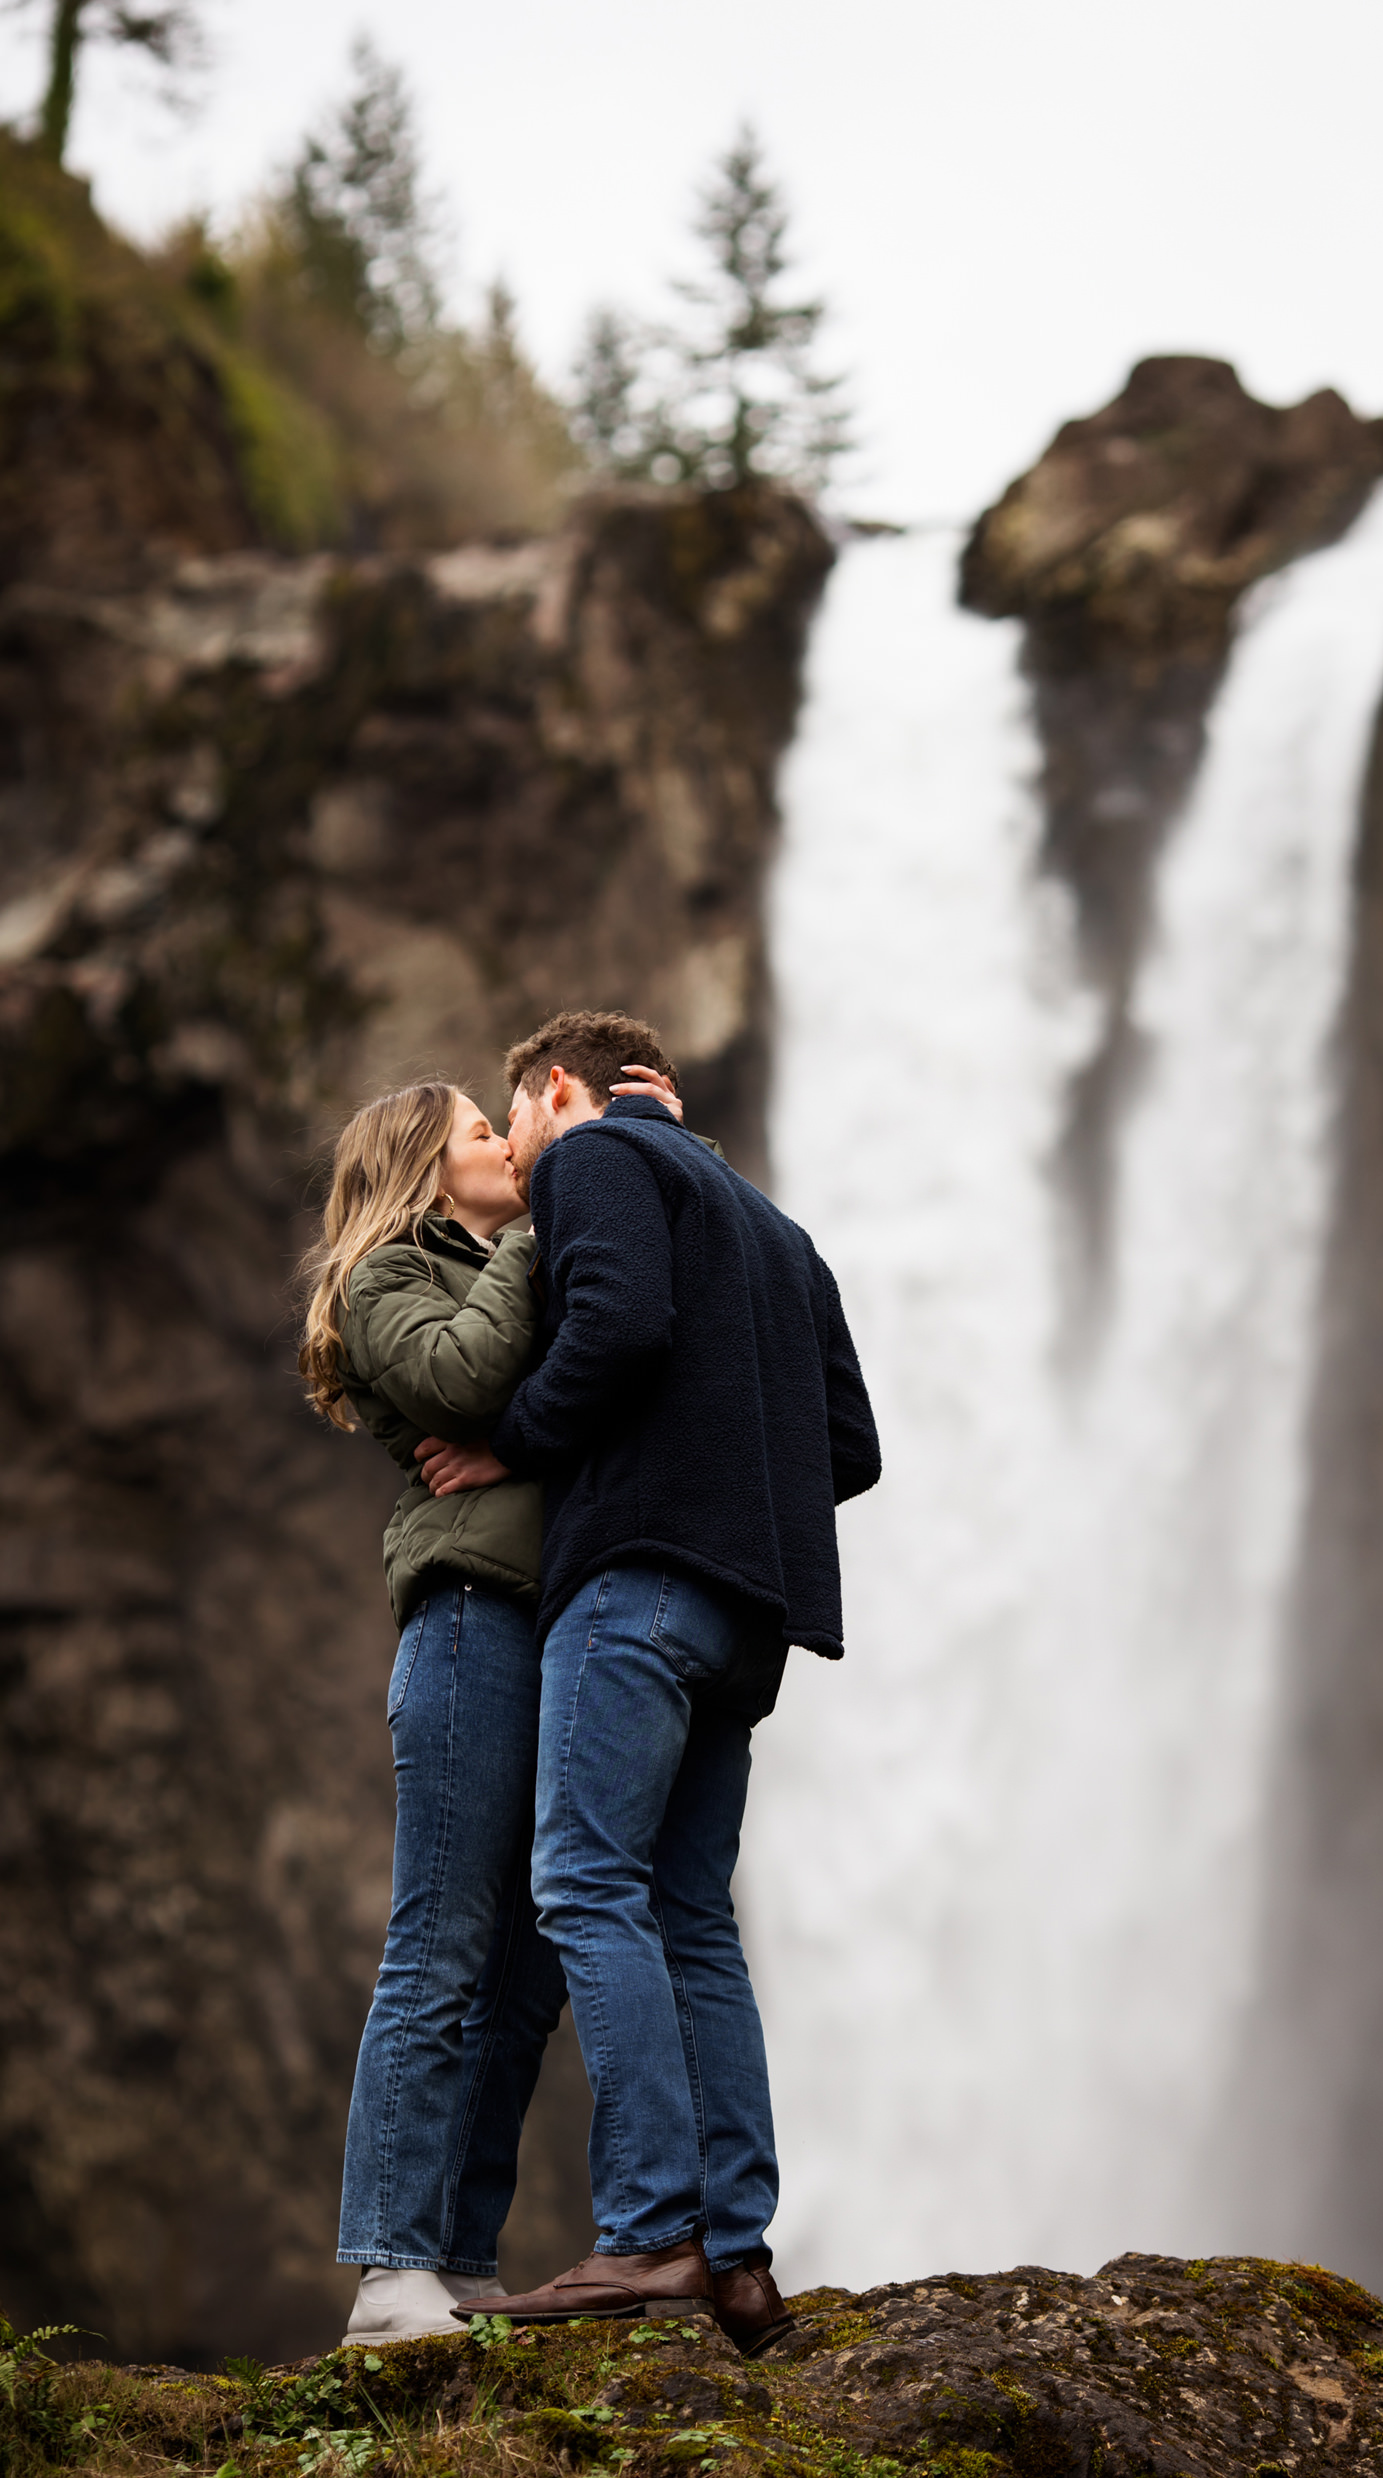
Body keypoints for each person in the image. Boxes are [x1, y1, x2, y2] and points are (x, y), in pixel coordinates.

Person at [418, 1010, 880, 2358]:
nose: (513, 1151)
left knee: (582, 1880)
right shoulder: (774, 1227)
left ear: (563, 1087)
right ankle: (737, 2254)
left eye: (515, 1117)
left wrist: (514, 1442)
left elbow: (615, 1320)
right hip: (753, 1619)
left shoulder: (596, 1159)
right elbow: (846, 1443)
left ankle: (650, 2232)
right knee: (692, 1914)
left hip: (635, 1582)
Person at [297, 1064, 679, 2345]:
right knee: (441, 1944)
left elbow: (613, 1369)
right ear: (420, 1167)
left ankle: (456, 2257)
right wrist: (532, 1238)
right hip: (469, 1620)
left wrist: (646, 1153)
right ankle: (387, 2268)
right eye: (480, 1131)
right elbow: (461, 1380)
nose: (507, 1147)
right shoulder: (387, 1279)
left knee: (523, 1977)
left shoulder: (523, 1256)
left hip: (557, 1623)